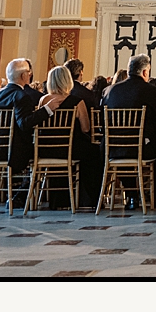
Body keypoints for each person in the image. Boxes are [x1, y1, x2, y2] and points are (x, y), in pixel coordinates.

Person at [102, 56, 156, 210]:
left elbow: (102, 123)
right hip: (142, 149)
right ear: (145, 72)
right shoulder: (153, 92)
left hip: (112, 149)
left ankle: (132, 194)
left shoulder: (109, 91)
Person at [34, 62, 102, 210]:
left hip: (47, 149)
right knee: (96, 153)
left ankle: (57, 199)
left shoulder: (43, 100)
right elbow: (85, 128)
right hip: (70, 149)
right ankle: (89, 199)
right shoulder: (77, 102)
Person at [0, 58, 47, 208]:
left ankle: (10, 194)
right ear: (25, 75)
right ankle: (19, 195)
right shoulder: (21, 96)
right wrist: (47, 110)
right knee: (44, 152)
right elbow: (24, 124)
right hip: (12, 152)